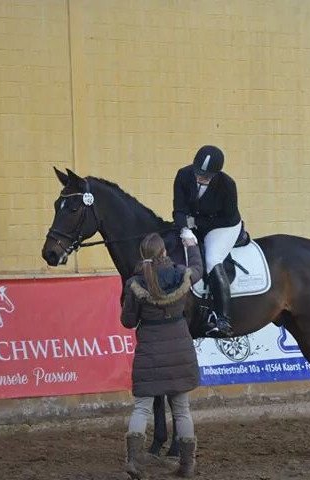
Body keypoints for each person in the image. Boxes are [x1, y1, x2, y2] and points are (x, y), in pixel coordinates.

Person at [120, 231, 203, 479]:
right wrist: (192, 245)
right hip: (179, 350)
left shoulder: (135, 283)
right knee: (182, 410)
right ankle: (187, 465)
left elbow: (128, 321)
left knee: (142, 408)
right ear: (164, 252)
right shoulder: (181, 274)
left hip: (150, 353)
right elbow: (198, 268)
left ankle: (133, 460)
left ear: (142, 255)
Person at [172, 145, 242, 337]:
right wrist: (184, 229)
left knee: (212, 259)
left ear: (216, 174)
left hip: (223, 226)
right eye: (198, 173)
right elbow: (179, 209)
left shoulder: (228, 185)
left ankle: (223, 319)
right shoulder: (184, 175)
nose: (200, 178)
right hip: (193, 224)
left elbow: (226, 218)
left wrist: (195, 223)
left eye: (205, 176)